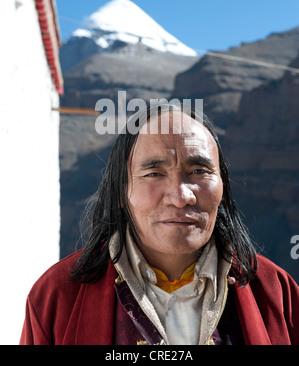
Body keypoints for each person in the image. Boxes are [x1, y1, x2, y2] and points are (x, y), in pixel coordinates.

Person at [20, 103, 299, 345]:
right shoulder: (56, 297)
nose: (180, 197)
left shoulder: (277, 292)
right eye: (154, 173)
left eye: (199, 171)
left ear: (222, 187)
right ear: (120, 191)